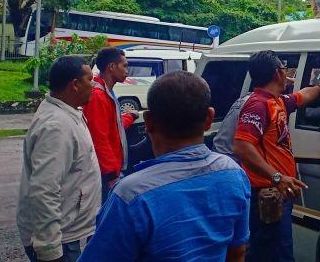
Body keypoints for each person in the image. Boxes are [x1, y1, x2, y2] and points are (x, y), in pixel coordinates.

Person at [79, 71, 251, 261]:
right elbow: (237, 252)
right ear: (209, 119)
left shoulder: (131, 195)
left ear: (148, 122)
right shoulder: (234, 174)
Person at [233, 51, 320, 262]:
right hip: (266, 193)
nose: (287, 75)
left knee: (271, 250)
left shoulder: (278, 102)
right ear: (277, 73)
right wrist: (277, 177)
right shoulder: (258, 104)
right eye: (285, 70)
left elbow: (304, 96)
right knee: (276, 253)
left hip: (278, 192)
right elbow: (242, 146)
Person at [17, 56, 100, 262]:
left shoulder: (68, 113)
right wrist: (50, 249)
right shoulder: (56, 126)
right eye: (90, 79)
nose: (95, 85)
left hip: (69, 231)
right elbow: (44, 190)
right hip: (61, 239)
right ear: (75, 85)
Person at [83, 47, 140, 201]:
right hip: (105, 172)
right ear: (112, 67)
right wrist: (111, 174)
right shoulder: (98, 95)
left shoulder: (107, 92)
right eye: (125, 66)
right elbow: (99, 138)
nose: (127, 70)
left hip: (110, 169)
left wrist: (130, 116)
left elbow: (113, 127)